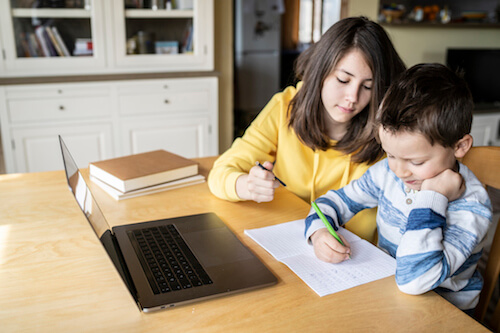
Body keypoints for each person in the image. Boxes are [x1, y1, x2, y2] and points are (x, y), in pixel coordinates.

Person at [305, 63, 493, 312]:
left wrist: (432, 197)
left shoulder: (472, 207)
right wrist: (319, 234)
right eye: (390, 154)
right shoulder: (388, 174)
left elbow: (414, 280)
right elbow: (328, 204)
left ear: (460, 147)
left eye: (416, 162)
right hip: (387, 294)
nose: (399, 171)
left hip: (444, 313)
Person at [208, 17, 406, 243]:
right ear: (320, 72)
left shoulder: (388, 127)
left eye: (368, 86)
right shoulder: (285, 106)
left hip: (358, 257)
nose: (353, 98)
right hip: (291, 244)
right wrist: (246, 186)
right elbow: (221, 172)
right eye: (343, 80)